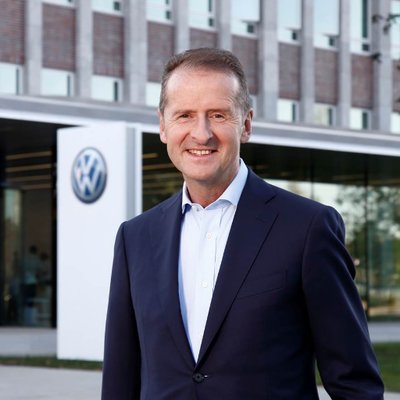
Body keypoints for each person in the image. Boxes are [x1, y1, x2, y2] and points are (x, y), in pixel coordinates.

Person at [102, 48, 384, 399]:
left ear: (246, 124)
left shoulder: (307, 228)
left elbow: (355, 384)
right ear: (163, 125)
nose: (201, 134)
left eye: (218, 115)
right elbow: (120, 380)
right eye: (184, 115)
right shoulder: (135, 238)